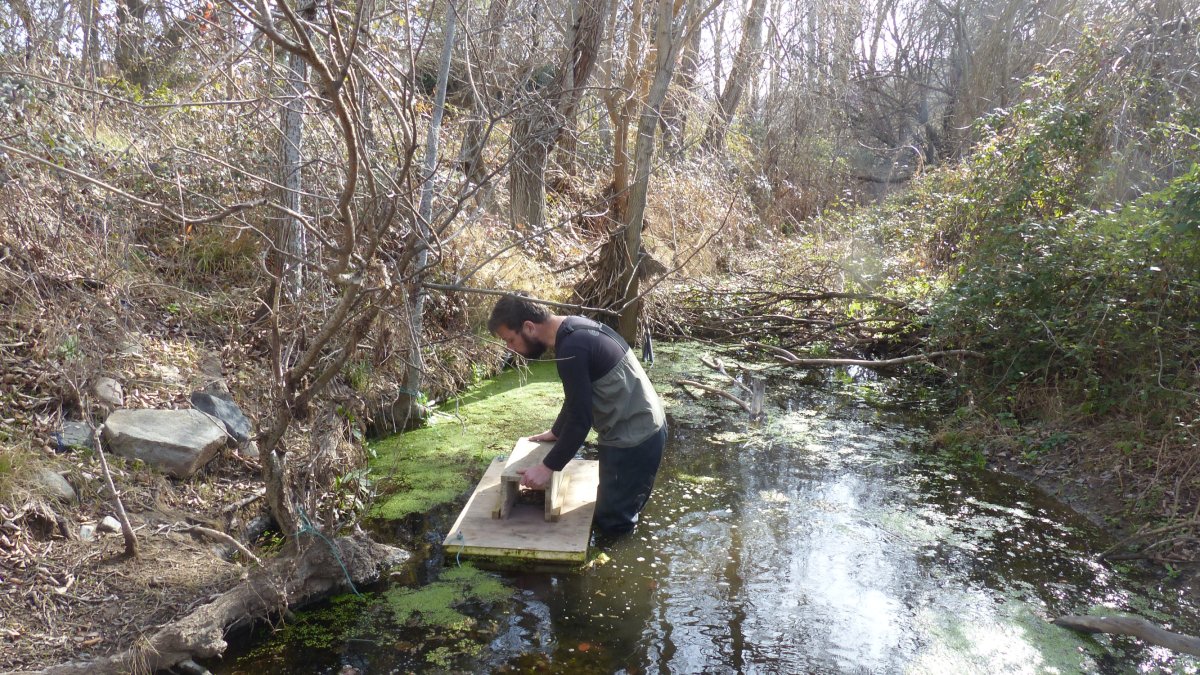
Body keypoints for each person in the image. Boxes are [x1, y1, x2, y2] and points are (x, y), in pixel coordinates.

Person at [488, 293, 667, 535]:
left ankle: (613, 569)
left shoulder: (572, 348)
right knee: (619, 508)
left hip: (633, 440)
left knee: (613, 524)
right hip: (645, 427)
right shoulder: (574, 329)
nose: (510, 349)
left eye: (510, 340)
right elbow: (577, 399)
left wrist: (547, 468)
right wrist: (556, 432)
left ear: (529, 327)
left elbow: (581, 421)